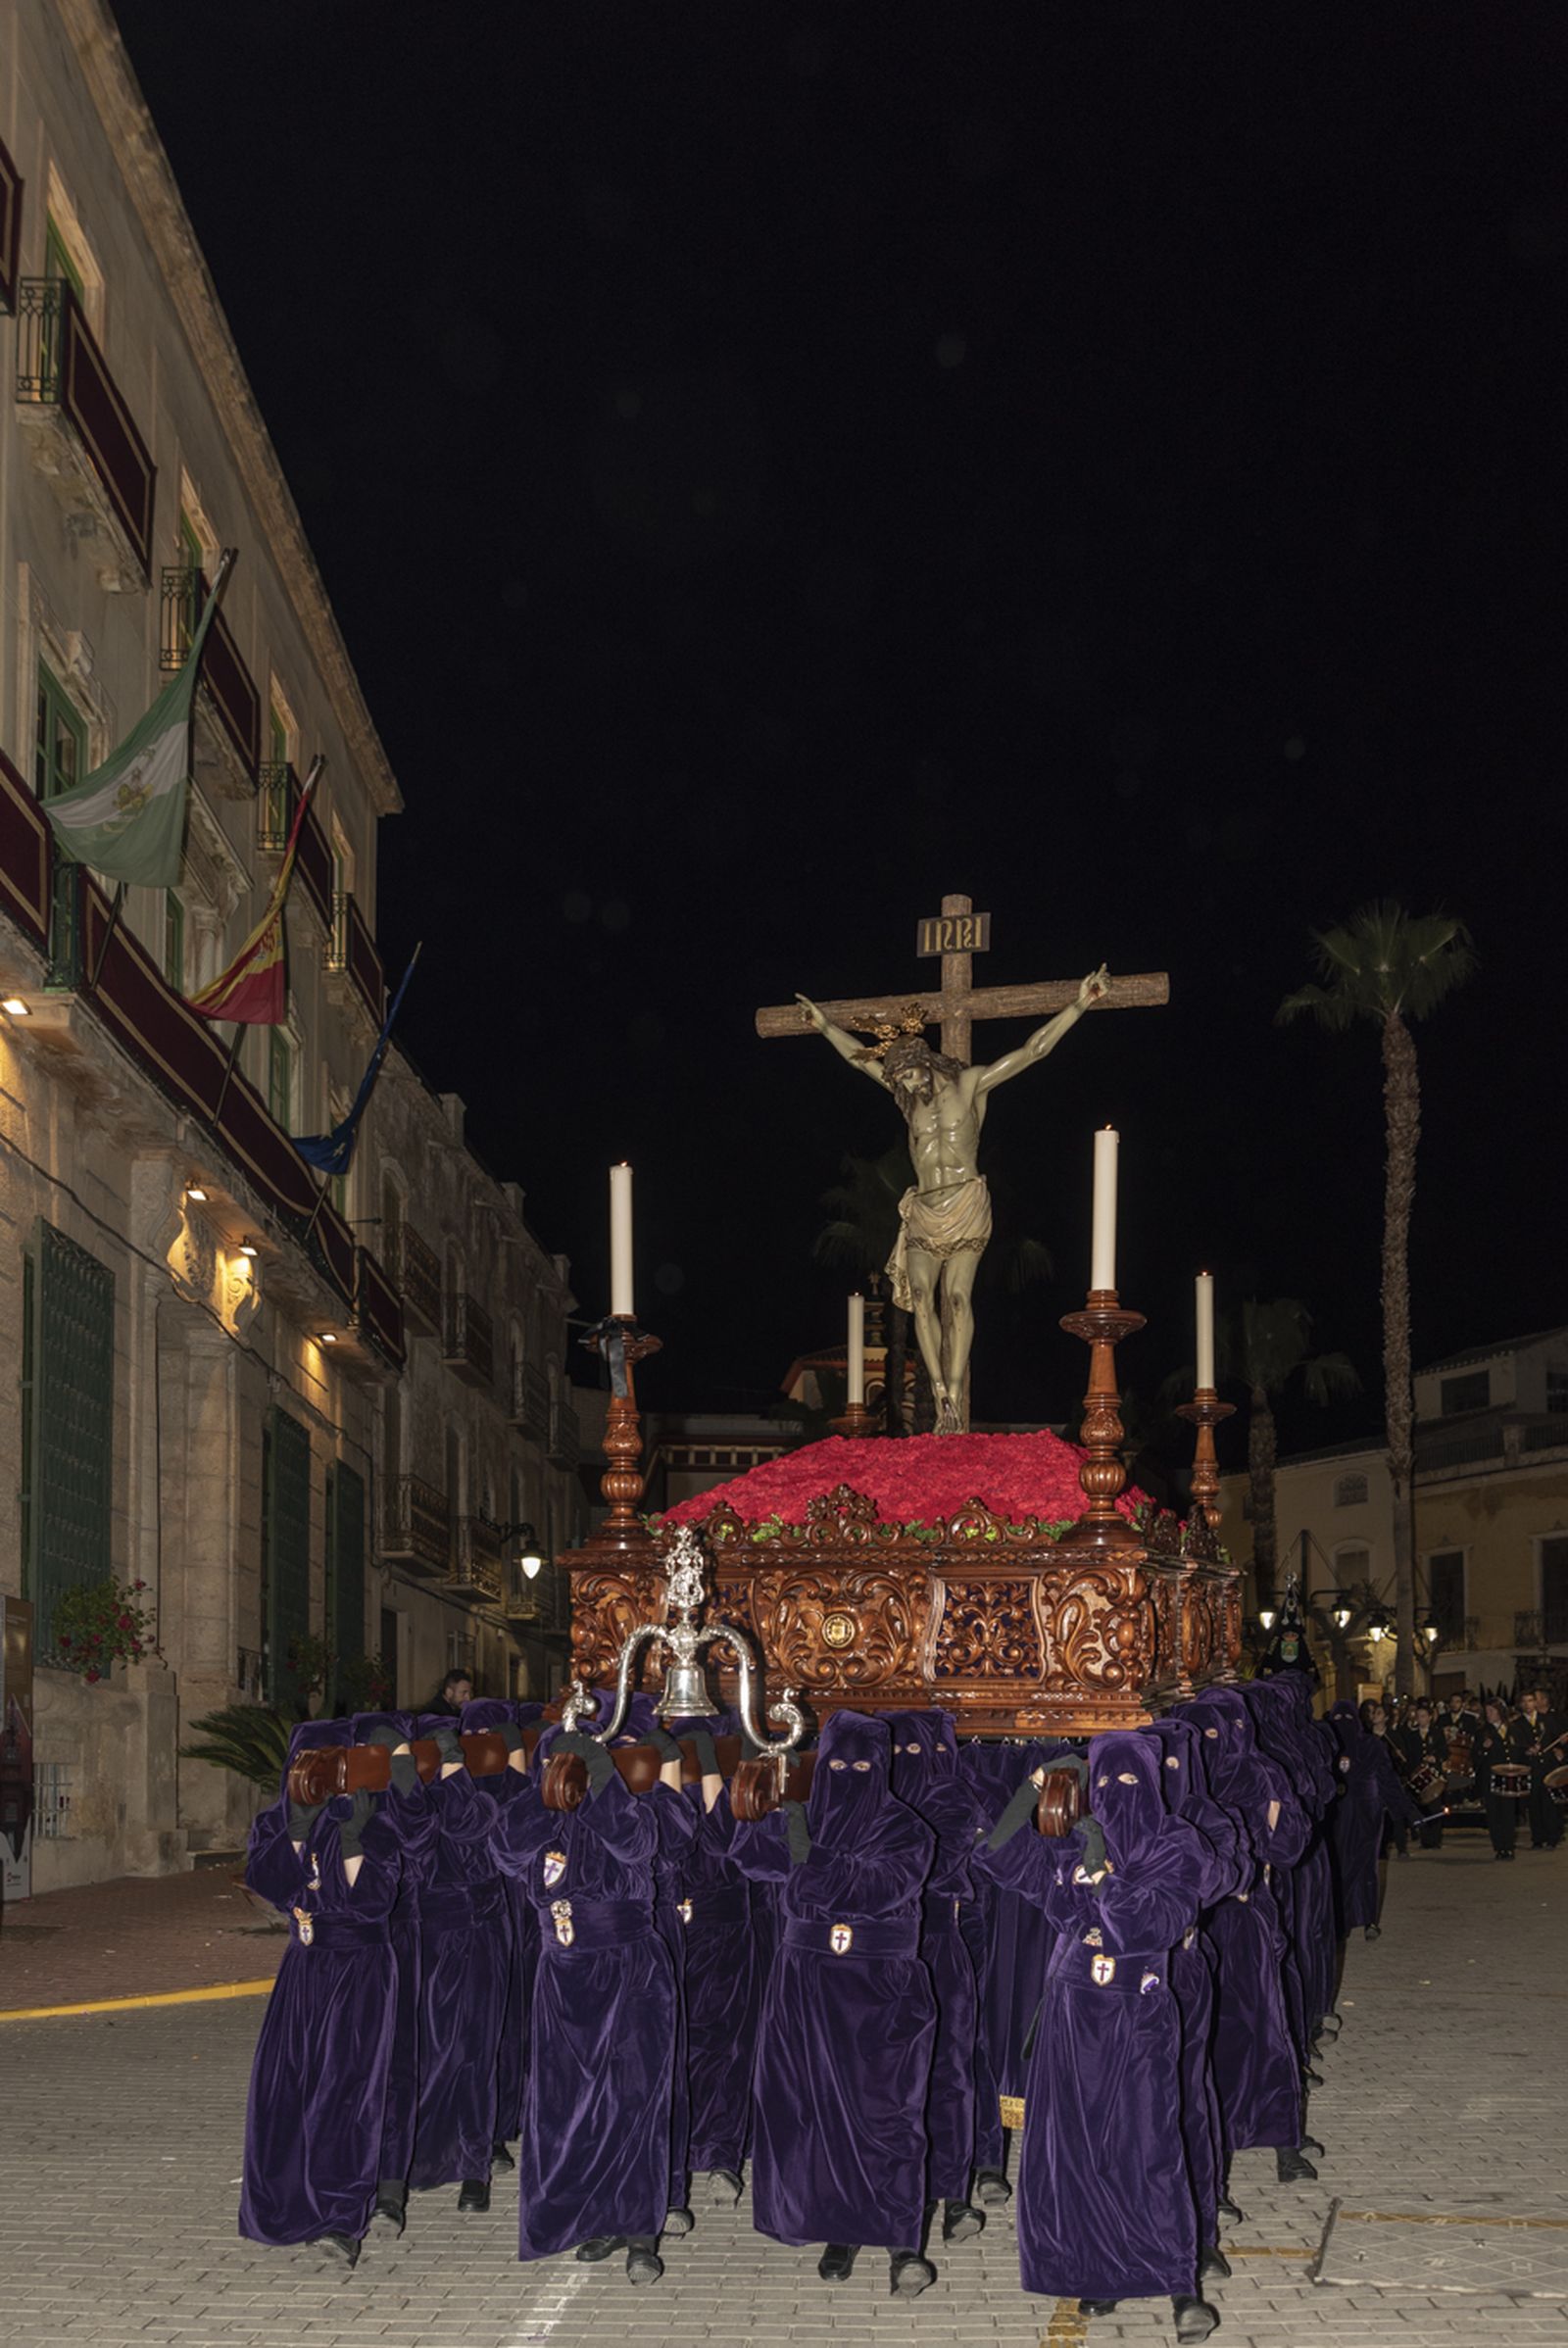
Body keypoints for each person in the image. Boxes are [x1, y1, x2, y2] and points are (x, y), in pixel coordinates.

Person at [976, 1732, 1217, 2343]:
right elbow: (998, 1853)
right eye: (1106, 1783)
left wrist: (1103, 1873)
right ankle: (1100, 2270)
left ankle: (1179, 2280)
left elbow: (1150, 1926)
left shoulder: (1175, 1845)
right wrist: (1032, 1787)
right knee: (1078, 2153)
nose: (1117, 1794)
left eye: (1130, 1782)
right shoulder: (1075, 1840)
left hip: (1138, 2012)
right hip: (1072, 2010)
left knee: (1149, 2146)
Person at [728, 1708, 939, 2295]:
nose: (848, 1777)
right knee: (814, 2114)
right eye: (838, 1766)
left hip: (878, 1989)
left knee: (887, 2115)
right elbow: (748, 1857)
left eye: (861, 1768)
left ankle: (902, 2239)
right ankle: (838, 2228)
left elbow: (876, 1889)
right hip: (806, 1981)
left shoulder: (905, 1828)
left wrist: (806, 1855)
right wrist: (763, 1801)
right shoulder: (803, 1814)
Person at [487, 1718, 676, 2283]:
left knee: (633, 2098)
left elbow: (636, 1843)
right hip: (562, 1973)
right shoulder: (540, 1817)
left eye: (573, 1765)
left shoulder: (627, 1806)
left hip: (628, 1967)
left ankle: (640, 2230)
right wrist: (544, 1790)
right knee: (569, 2103)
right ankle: (593, 2213)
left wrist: (599, 1773)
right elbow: (503, 1849)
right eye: (555, 1764)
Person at [239, 1718, 428, 2267]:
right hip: (303, 1967)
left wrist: (353, 1838)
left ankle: (342, 2216)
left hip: (360, 1967)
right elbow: (272, 1885)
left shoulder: (373, 1814)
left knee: (348, 2091)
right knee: (285, 2089)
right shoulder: (279, 1818)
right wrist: (297, 1829)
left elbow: (372, 1901)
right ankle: (285, 2206)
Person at [886, 1709, 986, 2245]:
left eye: (916, 1752)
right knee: (886, 2081)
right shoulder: (876, 1801)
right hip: (886, 1949)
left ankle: (952, 2190)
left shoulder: (951, 1799)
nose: (907, 1763)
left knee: (949, 2074)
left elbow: (939, 1864)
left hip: (940, 1945)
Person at [1510, 1689, 1566, 1851]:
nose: (1527, 1704)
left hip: (1548, 1767)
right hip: (1531, 1768)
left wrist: (1561, 1746)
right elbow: (1515, 1747)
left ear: (1535, 1703)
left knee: (1549, 1803)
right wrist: (1526, 1751)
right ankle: (1538, 1838)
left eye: (1530, 1701)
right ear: (1520, 1704)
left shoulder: (1547, 1719)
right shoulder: (1517, 1724)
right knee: (1534, 1804)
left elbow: (1558, 1739)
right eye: (1524, 1701)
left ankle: (1552, 1837)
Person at [1392, 1701, 1447, 1849]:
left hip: (1434, 1775)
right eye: (1418, 1716)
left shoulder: (1437, 1733)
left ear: (1430, 1717)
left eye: (1423, 1716)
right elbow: (1409, 1756)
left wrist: (1435, 1758)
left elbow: (1444, 1751)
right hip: (1418, 1774)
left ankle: (1435, 1839)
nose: (1420, 1719)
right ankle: (1425, 1839)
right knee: (1422, 1807)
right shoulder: (1411, 1735)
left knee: (1435, 1807)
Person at [1474, 1698, 1519, 1861]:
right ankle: (1499, 1847)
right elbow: (1474, 1756)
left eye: (1492, 1711)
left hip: (1509, 1776)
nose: (1489, 1714)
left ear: (1500, 1711)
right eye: (1487, 1711)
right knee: (1494, 1814)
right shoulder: (1483, 1732)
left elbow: (1518, 1750)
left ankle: (1509, 1846)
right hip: (1491, 1777)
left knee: (1508, 1813)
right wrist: (1483, 1748)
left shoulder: (1512, 1729)